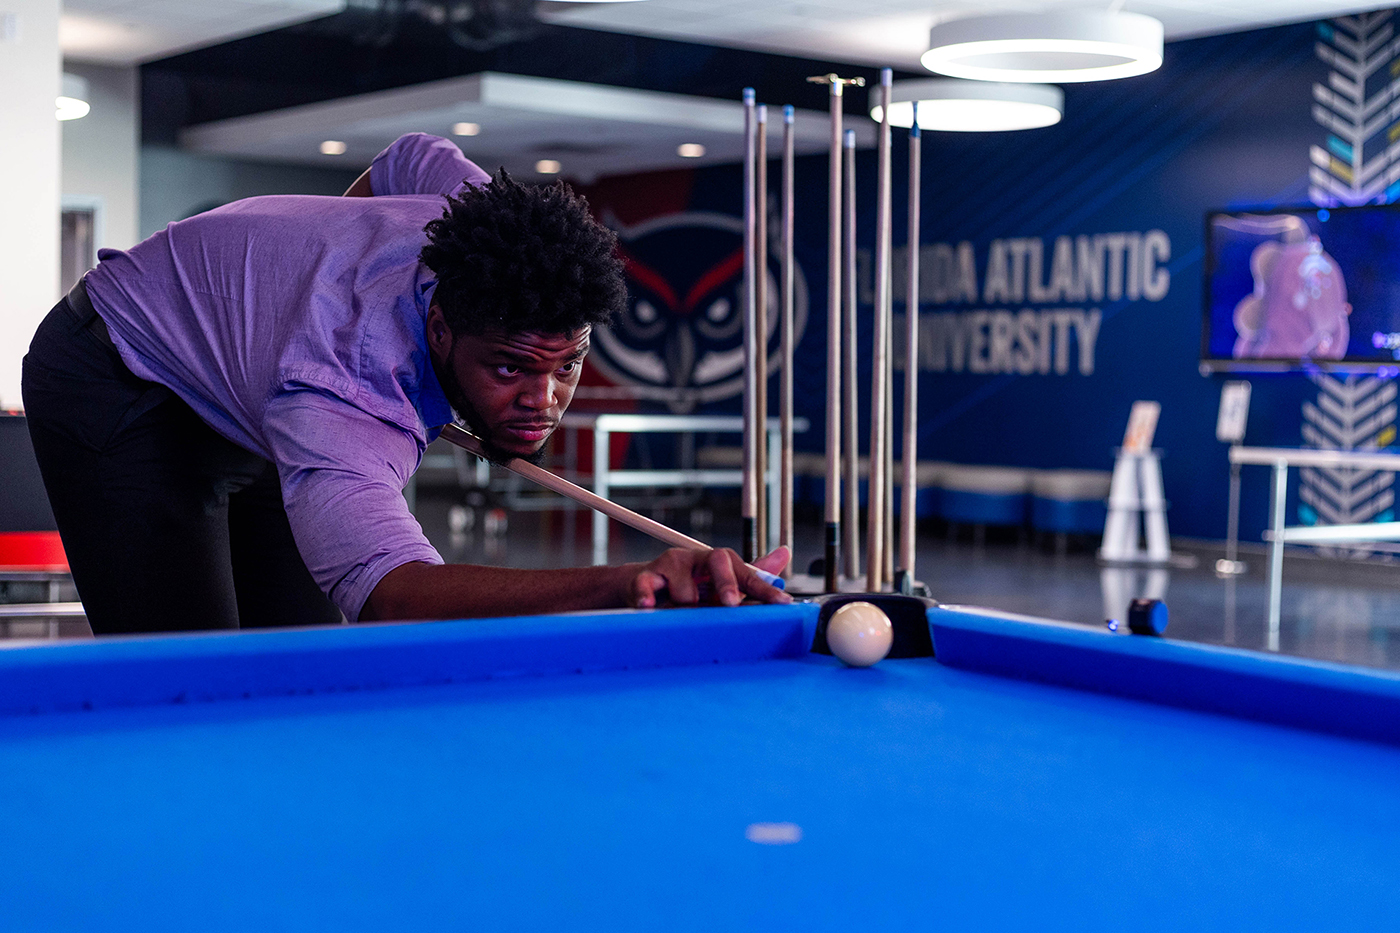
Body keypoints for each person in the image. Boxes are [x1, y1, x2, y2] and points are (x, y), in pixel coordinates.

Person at [23, 133, 789, 635]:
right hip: (115, 372)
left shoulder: (472, 221)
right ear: (442, 328)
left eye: (566, 364)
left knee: (306, 660)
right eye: (509, 368)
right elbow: (394, 593)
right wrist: (629, 584)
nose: (543, 400)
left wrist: (329, 249)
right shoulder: (345, 397)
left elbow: (410, 154)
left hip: (257, 378)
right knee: (191, 677)